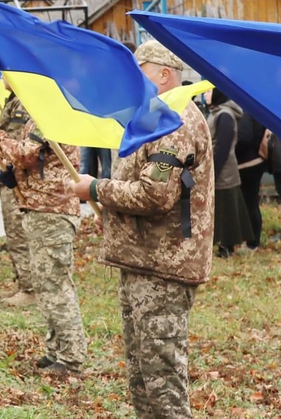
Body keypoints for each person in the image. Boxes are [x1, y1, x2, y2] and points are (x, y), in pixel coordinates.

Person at [71, 40, 215, 418]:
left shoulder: (175, 121)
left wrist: (96, 189)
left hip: (165, 268)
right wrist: (113, 212)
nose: (133, 79)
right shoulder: (154, 115)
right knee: (142, 377)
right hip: (144, 262)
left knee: (163, 380)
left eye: (141, 71)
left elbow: (155, 195)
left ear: (164, 75)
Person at [0, 114, 86, 377]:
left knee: (56, 286)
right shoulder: (39, 113)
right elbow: (35, 162)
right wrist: (14, 176)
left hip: (53, 211)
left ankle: (71, 359)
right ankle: (56, 350)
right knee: (45, 285)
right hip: (41, 209)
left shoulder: (51, 112)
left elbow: (25, 154)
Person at [0, 83, 37, 308]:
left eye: (5, 71)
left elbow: (14, 142)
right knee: (13, 233)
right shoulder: (13, 98)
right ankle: (21, 281)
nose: (2, 76)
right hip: (11, 177)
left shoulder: (23, 102)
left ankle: (29, 288)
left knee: (18, 234)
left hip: (17, 179)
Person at [206, 88, 254, 258]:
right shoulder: (217, 112)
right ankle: (224, 245)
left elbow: (223, 148)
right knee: (222, 207)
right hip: (220, 168)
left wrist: (215, 171)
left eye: (208, 91)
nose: (205, 95)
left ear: (218, 93)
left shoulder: (224, 114)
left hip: (225, 171)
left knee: (227, 209)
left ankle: (227, 246)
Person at [235, 109, 268, 250]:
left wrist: (232, 150)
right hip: (254, 161)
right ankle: (251, 240)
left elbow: (244, 137)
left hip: (248, 163)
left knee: (249, 203)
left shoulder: (246, 112)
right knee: (251, 203)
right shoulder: (253, 109)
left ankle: (252, 242)